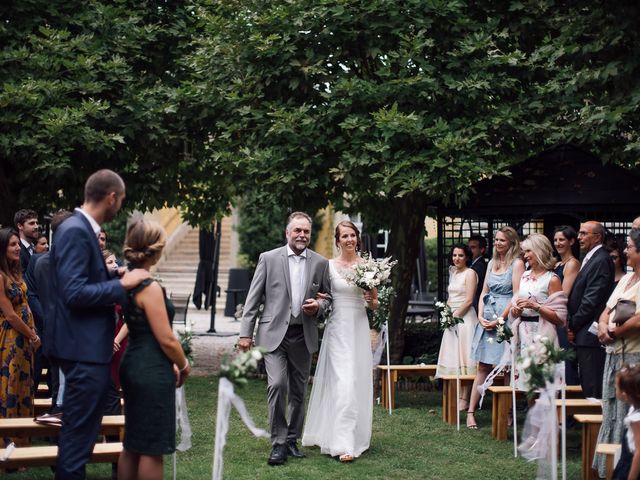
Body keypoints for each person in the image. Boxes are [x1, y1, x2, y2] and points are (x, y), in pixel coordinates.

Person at [46, 169, 151, 479]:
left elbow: (80, 281)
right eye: (121, 201)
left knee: (83, 438)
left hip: (86, 350)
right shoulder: (76, 230)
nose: (120, 207)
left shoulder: (79, 229)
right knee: (77, 443)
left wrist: (111, 276)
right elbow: (73, 292)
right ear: (111, 197)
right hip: (83, 352)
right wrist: (125, 284)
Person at [239, 211, 332, 466]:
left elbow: (328, 298)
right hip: (273, 335)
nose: (302, 235)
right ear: (287, 233)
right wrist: (245, 333)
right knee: (278, 384)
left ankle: (292, 439)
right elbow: (253, 298)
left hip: (303, 335)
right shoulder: (268, 259)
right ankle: (278, 444)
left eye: (306, 231)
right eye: (297, 231)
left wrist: (319, 307)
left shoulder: (321, 263)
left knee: (299, 391)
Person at [117, 219, 190, 480]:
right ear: (156, 249)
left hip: (133, 362)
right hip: (150, 369)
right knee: (152, 448)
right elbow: (167, 339)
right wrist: (183, 364)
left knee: (133, 442)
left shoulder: (126, 279)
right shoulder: (150, 287)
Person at [302, 221, 375, 462]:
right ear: (337, 240)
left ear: (358, 238)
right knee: (342, 382)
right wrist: (321, 299)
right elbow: (323, 297)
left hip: (358, 325)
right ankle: (344, 444)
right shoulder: (328, 266)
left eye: (352, 235)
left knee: (355, 381)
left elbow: (374, 302)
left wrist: (371, 299)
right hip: (337, 329)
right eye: (344, 236)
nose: (349, 239)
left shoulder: (367, 267)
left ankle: (351, 434)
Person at [593, 229, 640, 477]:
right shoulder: (625, 279)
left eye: (630, 246)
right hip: (613, 356)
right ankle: (606, 471)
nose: (625, 251)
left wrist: (614, 331)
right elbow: (607, 309)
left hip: (634, 358)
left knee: (626, 414)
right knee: (610, 410)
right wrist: (603, 326)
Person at [467, 226, 524, 429]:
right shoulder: (491, 262)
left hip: (505, 317)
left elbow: (517, 294)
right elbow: (483, 291)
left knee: (507, 366)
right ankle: (471, 412)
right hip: (487, 315)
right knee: (483, 366)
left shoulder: (517, 264)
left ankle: (507, 412)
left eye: (502, 240)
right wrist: (481, 315)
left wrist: (501, 318)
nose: (498, 243)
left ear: (511, 243)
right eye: (496, 240)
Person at [510, 233, 566, 390]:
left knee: (543, 383)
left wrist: (536, 306)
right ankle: (531, 413)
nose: (525, 255)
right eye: (524, 251)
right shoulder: (524, 276)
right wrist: (516, 309)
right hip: (523, 333)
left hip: (542, 335)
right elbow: (516, 305)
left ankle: (547, 414)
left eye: (528, 251)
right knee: (526, 383)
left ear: (539, 251)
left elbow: (560, 318)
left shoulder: (552, 279)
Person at [0, 228, 39, 448]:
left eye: (17, 244)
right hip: (10, 340)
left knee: (24, 386)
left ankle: (22, 444)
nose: (17, 248)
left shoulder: (17, 272)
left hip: (24, 339)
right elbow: (11, 316)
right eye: (12, 245)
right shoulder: (0, 276)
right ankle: (7, 446)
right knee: (10, 388)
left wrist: (33, 334)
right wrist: (32, 335)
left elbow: (25, 305)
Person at [569, 221, 615, 399]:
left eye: (583, 234)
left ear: (597, 237)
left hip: (590, 331)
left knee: (592, 385)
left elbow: (591, 300)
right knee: (587, 381)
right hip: (583, 331)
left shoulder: (602, 259)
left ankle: (595, 425)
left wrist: (573, 324)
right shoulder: (591, 257)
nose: (579, 237)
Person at [435, 244, 478, 410]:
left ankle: (465, 398)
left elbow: (468, 300)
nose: (457, 258)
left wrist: (454, 316)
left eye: (460, 255)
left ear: (467, 257)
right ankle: (455, 394)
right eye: (454, 255)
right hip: (451, 318)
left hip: (465, 318)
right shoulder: (453, 272)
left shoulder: (470, 273)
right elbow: (450, 297)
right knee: (454, 355)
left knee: (465, 356)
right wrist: (446, 313)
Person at [553, 225, 581, 385]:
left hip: (562, 315)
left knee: (564, 360)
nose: (557, 243)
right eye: (555, 240)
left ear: (571, 241)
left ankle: (568, 400)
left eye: (562, 239)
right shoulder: (556, 264)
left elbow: (563, 294)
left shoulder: (572, 264)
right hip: (552, 313)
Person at [610, 365, 640, 480]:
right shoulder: (634, 408)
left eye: (616, 387)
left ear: (625, 395)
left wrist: (631, 477)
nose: (614, 388)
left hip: (631, 466)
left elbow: (639, 452)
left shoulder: (636, 420)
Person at [14, 209, 39, 273]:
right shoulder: (16, 250)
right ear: (20, 226)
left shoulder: (34, 248)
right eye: (32, 223)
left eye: (37, 223)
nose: (36, 226)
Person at [468, 234, 488, 313]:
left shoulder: (479, 266)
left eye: (473, 247)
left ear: (482, 249)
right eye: (468, 247)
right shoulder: (472, 264)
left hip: (476, 305)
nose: (469, 250)